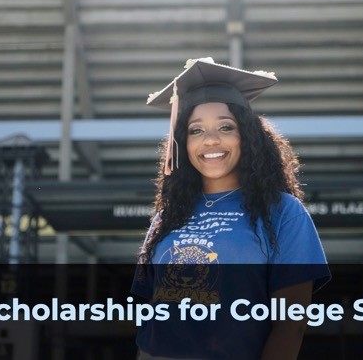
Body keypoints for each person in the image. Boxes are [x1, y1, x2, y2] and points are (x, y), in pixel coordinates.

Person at [132, 57, 330, 360]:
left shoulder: (282, 212)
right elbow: (151, 320)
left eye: (226, 126)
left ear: (247, 135)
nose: (211, 140)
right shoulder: (167, 218)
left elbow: (292, 325)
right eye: (196, 130)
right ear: (182, 143)